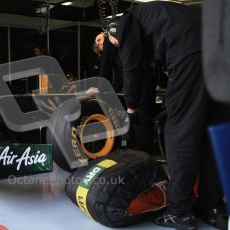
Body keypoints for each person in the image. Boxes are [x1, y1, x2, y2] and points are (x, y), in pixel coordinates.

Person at [107, 2, 228, 229]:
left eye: (115, 44)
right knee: (213, 133)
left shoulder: (127, 21)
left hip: (191, 55)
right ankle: (211, 206)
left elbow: (132, 67)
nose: (117, 46)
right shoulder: (162, 14)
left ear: (112, 32)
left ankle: (180, 212)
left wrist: (130, 107)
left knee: (180, 134)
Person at [95, 32, 156, 151]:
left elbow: (105, 67)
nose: (98, 44)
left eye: (99, 40)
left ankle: (141, 148)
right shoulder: (124, 45)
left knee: (139, 114)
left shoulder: (109, 42)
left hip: (139, 83)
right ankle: (143, 147)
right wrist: (113, 90)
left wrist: (100, 88)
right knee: (143, 115)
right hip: (144, 82)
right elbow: (119, 73)